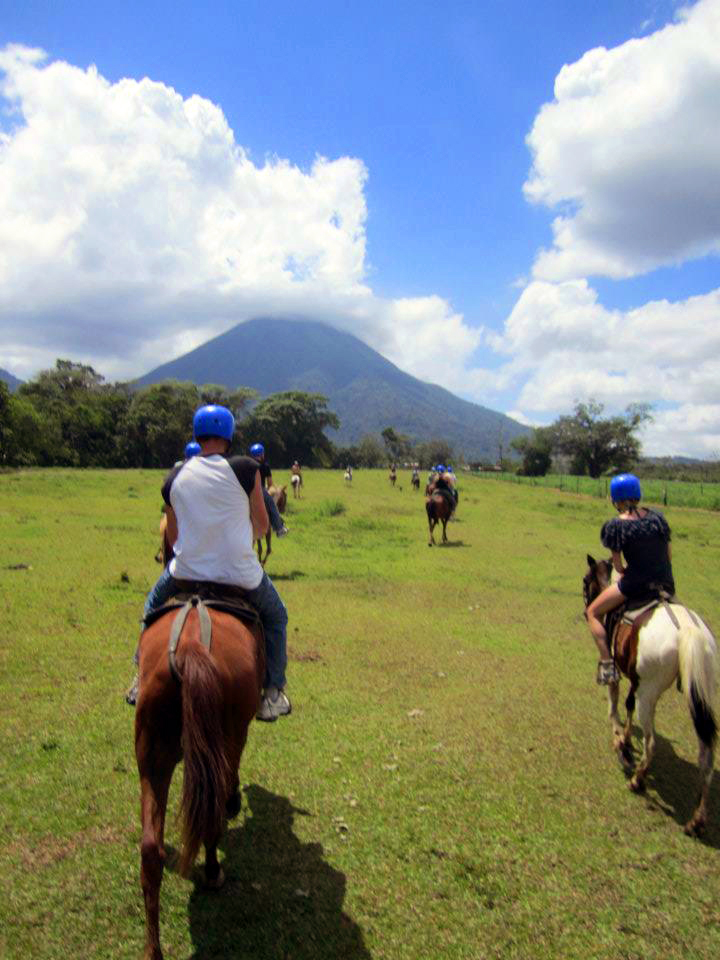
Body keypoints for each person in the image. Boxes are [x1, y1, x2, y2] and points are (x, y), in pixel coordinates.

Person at [127, 405, 291, 721]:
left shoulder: (173, 477)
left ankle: (139, 676)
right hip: (239, 574)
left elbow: (173, 539)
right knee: (276, 616)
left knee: (151, 607)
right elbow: (260, 525)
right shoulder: (246, 468)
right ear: (229, 436)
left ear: (196, 435)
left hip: (185, 573)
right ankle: (273, 693)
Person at [586, 473, 675, 685]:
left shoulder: (616, 526)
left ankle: (607, 664)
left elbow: (617, 566)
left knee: (592, 612)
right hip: (666, 583)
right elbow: (669, 556)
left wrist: (626, 570)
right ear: (637, 494)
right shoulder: (658, 519)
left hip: (636, 584)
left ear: (615, 499)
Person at [249, 442, 289, 537]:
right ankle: (279, 529)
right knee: (272, 505)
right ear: (262, 454)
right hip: (259, 490)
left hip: (246, 490)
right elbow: (270, 484)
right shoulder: (265, 466)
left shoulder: (248, 464)